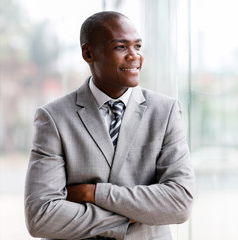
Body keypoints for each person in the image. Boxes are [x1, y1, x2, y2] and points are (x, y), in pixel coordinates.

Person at [24, 11, 195, 240]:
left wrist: (93, 193)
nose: (134, 56)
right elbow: (41, 217)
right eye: (121, 47)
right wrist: (132, 216)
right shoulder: (53, 118)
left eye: (138, 46)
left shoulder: (165, 111)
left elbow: (179, 202)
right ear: (88, 53)